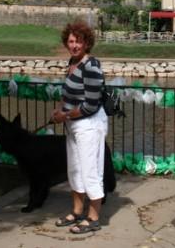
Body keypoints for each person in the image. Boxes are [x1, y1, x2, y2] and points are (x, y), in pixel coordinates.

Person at [50, 20, 107, 234]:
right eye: (71, 41)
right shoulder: (73, 62)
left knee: (90, 170)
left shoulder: (91, 66)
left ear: (87, 43)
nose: (74, 45)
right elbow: (68, 94)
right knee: (75, 169)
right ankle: (77, 211)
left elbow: (90, 105)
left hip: (89, 124)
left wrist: (64, 115)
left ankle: (93, 218)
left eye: (79, 42)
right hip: (73, 124)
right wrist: (59, 110)